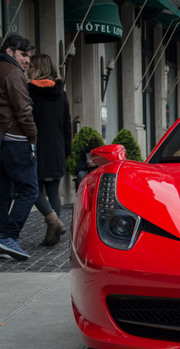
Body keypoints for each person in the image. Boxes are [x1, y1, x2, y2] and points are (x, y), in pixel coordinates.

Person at [0, 34, 38, 260]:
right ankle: (8, 236)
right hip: (16, 139)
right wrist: (33, 137)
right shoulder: (12, 72)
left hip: (3, 140)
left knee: (3, 192)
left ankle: (3, 240)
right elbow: (24, 109)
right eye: (23, 54)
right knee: (30, 189)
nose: (27, 60)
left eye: (29, 56)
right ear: (9, 51)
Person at [27, 53, 71, 246]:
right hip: (57, 148)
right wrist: (67, 151)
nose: (27, 69)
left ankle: (54, 222)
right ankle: (53, 233)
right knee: (53, 191)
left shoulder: (30, 92)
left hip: (36, 148)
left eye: (30, 66)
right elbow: (66, 124)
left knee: (29, 188)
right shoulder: (61, 94)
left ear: (37, 68)